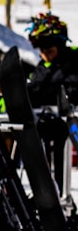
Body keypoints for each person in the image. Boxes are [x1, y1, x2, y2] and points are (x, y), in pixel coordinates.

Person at [26, 12, 78, 190]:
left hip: (66, 124)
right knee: (42, 164)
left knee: (61, 162)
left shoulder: (72, 64)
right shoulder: (41, 67)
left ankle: (62, 194)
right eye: (42, 52)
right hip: (42, 124)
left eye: (49, 51)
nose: (45, 55)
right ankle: (47, 192)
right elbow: (33, 90)